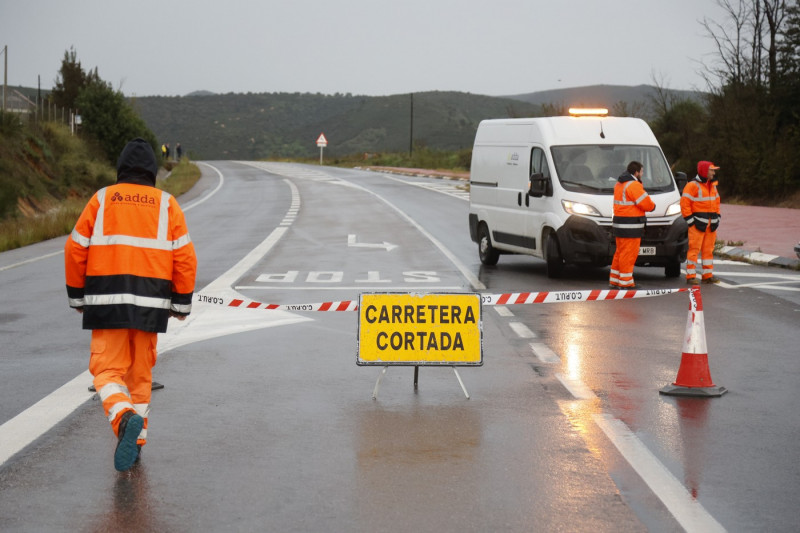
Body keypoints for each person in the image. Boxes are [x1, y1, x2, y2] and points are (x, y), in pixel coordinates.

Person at [64, 138, 197, 472]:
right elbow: (185, 257)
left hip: (107, 302)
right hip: (151, 307)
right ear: (153, 171)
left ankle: (124, 420)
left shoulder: (103, 199)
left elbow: (75, 248)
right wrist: (180, 304)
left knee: (107, 371)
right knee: (140, 378)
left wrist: (77, 297)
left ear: (120, 169)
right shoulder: (167, 204)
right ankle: (135, 445)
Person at [609, 161, 656, 290]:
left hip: (619, 224)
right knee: (629, 254)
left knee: (620, 252)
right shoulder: (634, 185)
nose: (642, 174)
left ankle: (615, 280)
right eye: (641, 172)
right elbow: (646, 203)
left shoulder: (619, 184)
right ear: (636, 172)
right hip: (631, 225)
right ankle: (625, 282)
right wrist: (653, 207)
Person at [681, 161, 721, 284]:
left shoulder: (712, 185)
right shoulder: (692, 185)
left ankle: (707, 275)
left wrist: (717, 218)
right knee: (694, 250)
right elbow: (684, 204)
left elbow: (717, 202)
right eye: (712, 170)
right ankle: (691, 276)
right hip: (697, 224)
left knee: (708, 250)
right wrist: (690, 221)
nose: (714, 172)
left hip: (711, 224)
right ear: (704, 171)